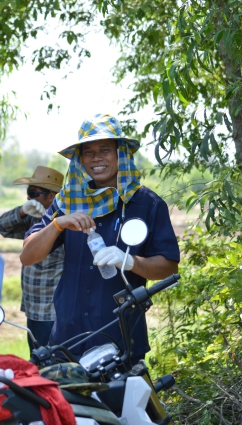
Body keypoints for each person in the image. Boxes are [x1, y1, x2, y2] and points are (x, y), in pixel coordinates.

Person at [20, 113, 180, 363]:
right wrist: (57, 224)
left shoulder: (146, 204)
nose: (96, 158)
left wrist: (129, 262)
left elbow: (168, 267)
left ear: (120, 153)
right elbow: (28, 256)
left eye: (105, 150)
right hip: (67, 340)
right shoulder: (68, 202)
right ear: (80, 159)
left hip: (121, 340)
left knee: (124, 391)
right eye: (88, 152)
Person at [0, 166, 65, 352]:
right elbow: (0, 226)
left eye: (34, 194)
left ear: (51, 197)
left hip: (50, 310)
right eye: (28, 192)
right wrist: (22, 211)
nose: (29, 198)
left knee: (48, 361)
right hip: (33, 307)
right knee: (37, 359)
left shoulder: (63, 224)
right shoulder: (33, 219)